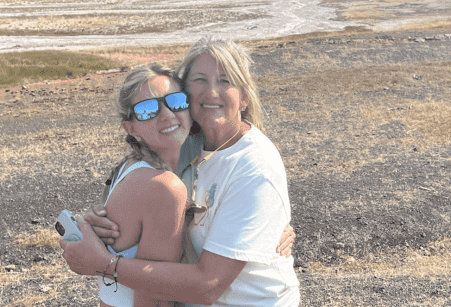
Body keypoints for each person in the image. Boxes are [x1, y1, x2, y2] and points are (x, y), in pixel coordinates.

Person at [62, 37, 300, 306]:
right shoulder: (187, 143)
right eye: (199, 80)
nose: (211, 92)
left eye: (225, 81)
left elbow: (207, 286)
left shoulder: (254, 166)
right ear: (187, 93)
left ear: (244, 97)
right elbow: (141, 182)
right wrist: (104, 213)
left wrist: (104, 264)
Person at [89, 64, 192, 307]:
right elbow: (154, 297)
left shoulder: (130, 167)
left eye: (176, 100)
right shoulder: (162, 187)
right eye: (147, 109)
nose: (167, 114)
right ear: (131, 128)